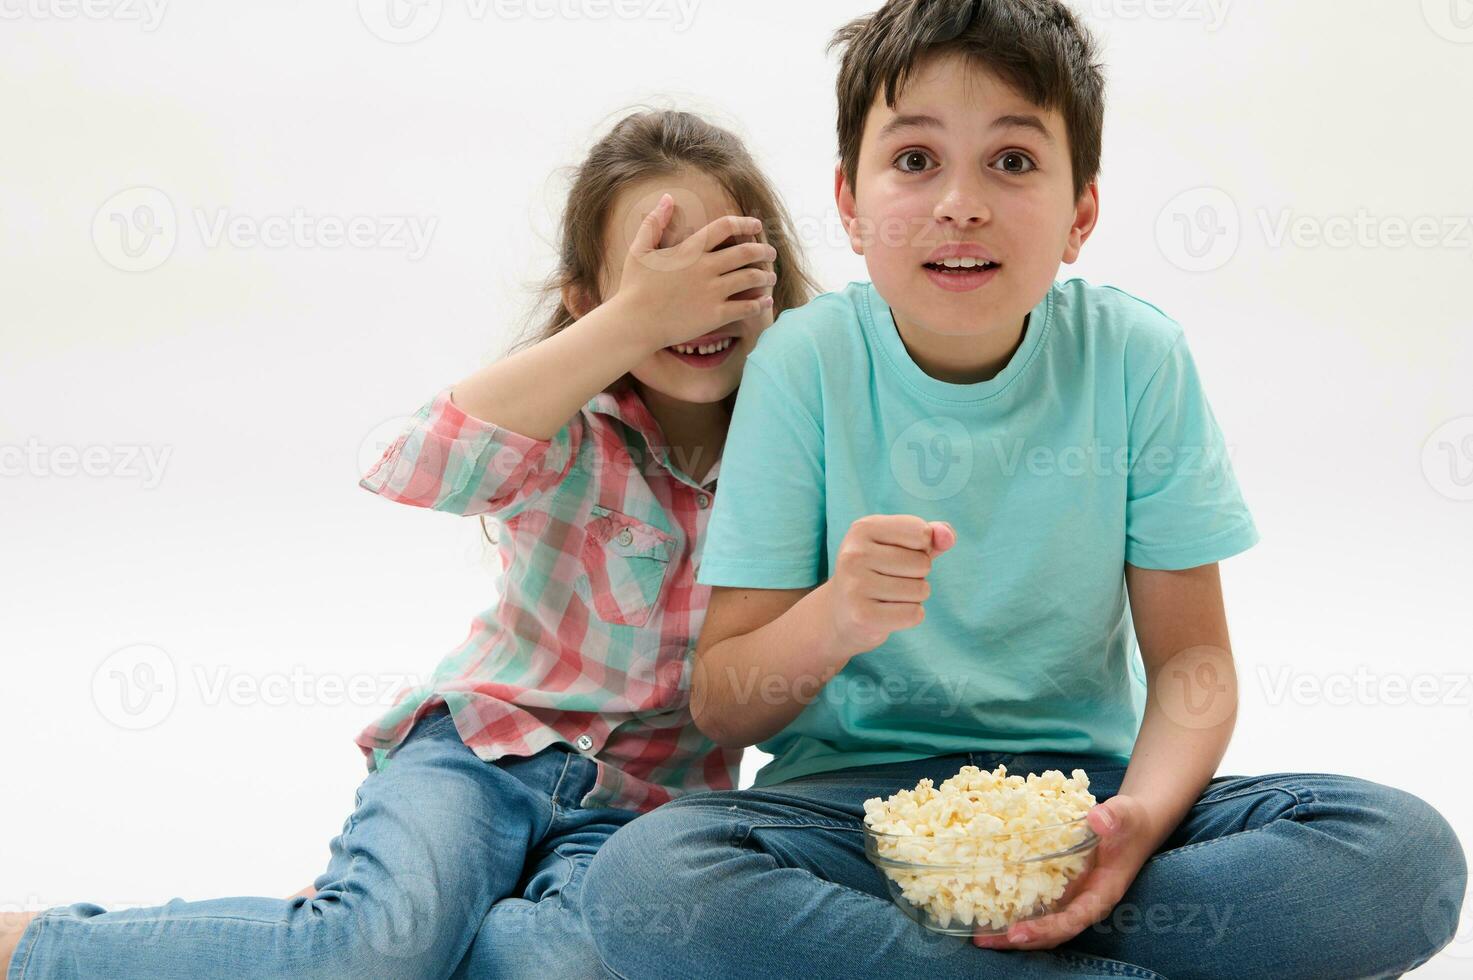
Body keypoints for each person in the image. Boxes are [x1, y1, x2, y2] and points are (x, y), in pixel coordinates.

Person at [576, 4, 1469, 978]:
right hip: (846, 820)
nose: (962, 201)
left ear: (1081, 211)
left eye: (1011, 161)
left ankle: (969, 955)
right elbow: (727, 704)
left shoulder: (1136, 358)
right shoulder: (805, 363)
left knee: (1403, 854)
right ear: (850, 203)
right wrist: (835, 614)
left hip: (1086, 805)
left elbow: (1193, 669)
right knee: (648, 879)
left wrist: (1136, 824)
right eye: (916, 160)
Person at [1, 108, 817, 980]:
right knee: (363, 950)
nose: (692, 304)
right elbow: (420, 462)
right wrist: (634, 320)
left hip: (642, 810)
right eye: (658, 277)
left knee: (569, 965)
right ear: (587, 303)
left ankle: (417, 948)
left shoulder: (804, 456)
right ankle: (32, 947)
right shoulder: (574, 431)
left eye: (724, 267)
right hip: (481, 753)